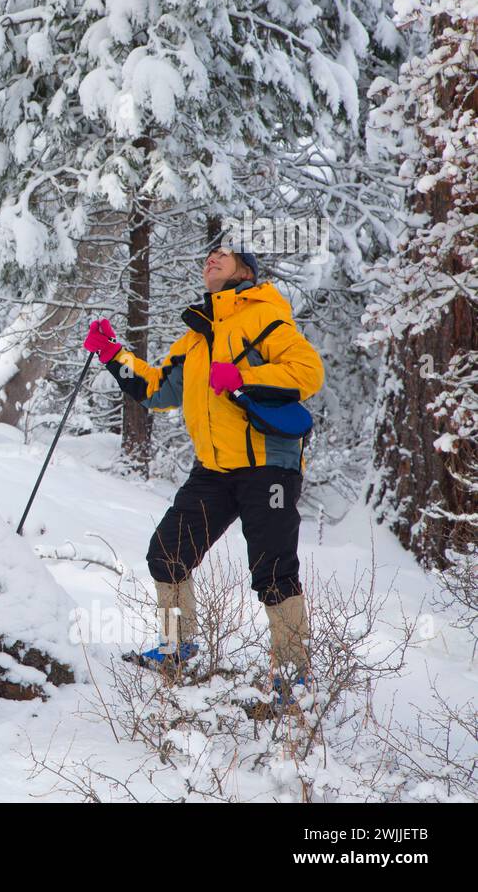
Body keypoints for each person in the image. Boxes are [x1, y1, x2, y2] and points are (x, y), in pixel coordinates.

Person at [83, 242, 324, 696]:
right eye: (208, 255)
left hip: (267, 465)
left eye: (225, 255)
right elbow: (157, 391)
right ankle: (177, 648)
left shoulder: (265, 315)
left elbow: (308, 372)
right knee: (167, 553)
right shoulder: (195, 338)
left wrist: (246, 378)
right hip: (213, 470)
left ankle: (294, 673)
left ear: (246, 273)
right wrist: (114, 354)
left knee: (273, 570)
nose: (211, 258)